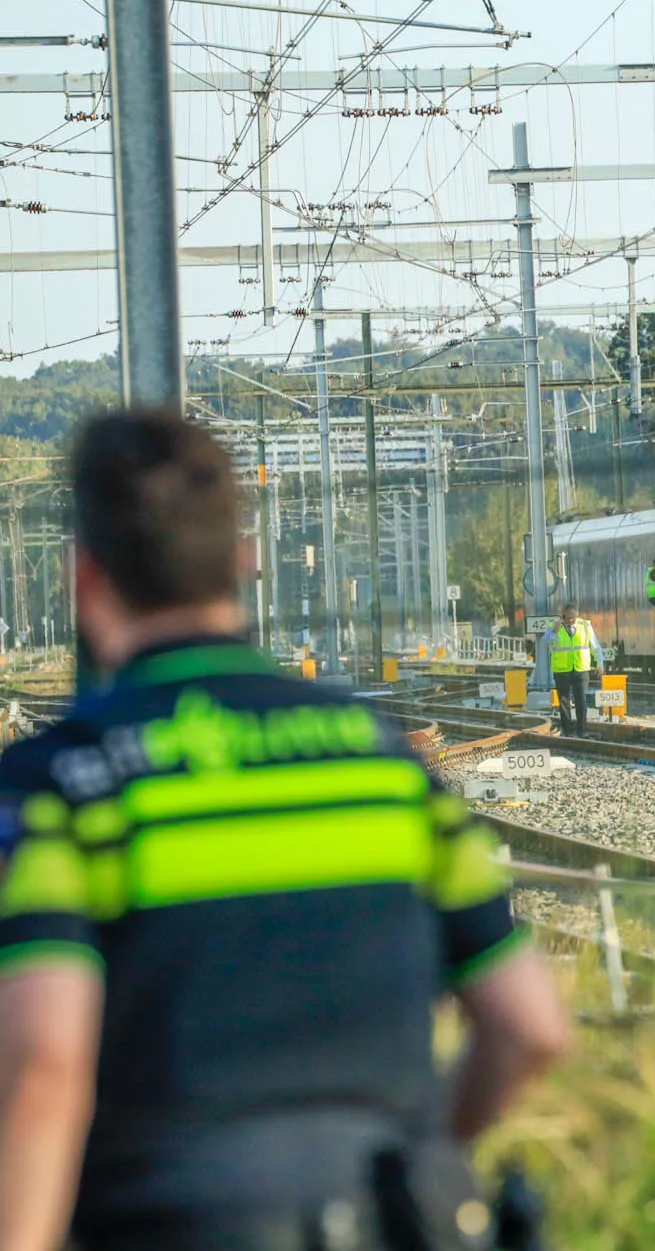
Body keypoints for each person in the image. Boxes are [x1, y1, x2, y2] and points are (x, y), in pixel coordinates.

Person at [0, 410, 568, 1251]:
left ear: (84, 578)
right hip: (391, 1216)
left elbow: (45, 1062)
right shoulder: (384, 765)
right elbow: (531, 1027)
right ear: (243, 561)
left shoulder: (62, 785)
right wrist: (416, 1155)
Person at [548, 604, 599, 738]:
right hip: (561, 670)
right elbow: (545, 642)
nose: (571, 620)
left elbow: (595, 646)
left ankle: (582, 730)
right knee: (564, 701)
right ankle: (568, 731)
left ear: (577, 615)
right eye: (568, 617)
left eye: (573, 617)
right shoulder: (555, 626)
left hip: (581, 669)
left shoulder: (585, 626)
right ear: (563, 615)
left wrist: (599, 663)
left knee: (581, 700)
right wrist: (553, 632)